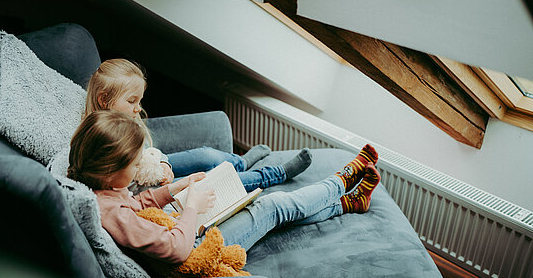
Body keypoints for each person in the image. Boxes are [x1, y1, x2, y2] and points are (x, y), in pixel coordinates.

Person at [67, 110, 381, 267]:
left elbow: (135, 203)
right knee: (271, 207)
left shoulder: (102, 190)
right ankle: (341, 180)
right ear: (109, 172)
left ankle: (348, 203)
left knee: (242, 193)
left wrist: (178, 188)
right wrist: (192, 207)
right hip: (196, 248)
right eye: (134, 167)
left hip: (181, 225)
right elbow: (174, 249)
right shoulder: (110, 214)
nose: (139, 172)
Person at [84, 58, 312, 193]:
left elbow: (149, 152)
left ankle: (241, 161)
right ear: (104, 100)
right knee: (208, 181)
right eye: (132, 101)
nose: (138, 108)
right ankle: (274, 174)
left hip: (152, 167)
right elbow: (121, 182)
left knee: (206, 156)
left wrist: (162, 162)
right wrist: (159, 179)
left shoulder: (126, 118)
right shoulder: (100, 135)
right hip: (145, 186)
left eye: (140, 100)